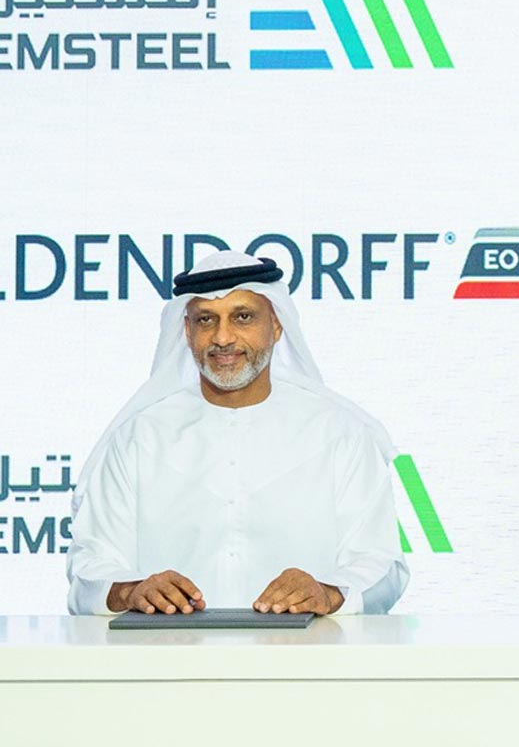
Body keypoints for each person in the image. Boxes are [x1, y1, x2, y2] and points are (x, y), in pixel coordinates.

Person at [68, 251, 408, 616]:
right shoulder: (139, 437)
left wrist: (330, 593)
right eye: (206, 319)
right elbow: (91, 566)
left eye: (243, 317)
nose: (223, 337)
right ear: (187, 332)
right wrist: (130, 590)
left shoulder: (339, 432)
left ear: (276, 325)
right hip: (166, 651)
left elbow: (383, 567)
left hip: (306, 652)